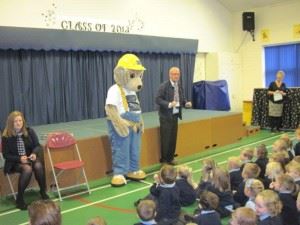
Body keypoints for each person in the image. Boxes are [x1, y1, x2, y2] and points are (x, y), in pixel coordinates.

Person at [1, 111, 49, 210]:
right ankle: (20, 198)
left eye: (20, 120)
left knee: (38, 166)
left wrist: (34, 154)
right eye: (15, 121)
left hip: (29, 158)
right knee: (27, 169)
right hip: (15, 162)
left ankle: (42, 191)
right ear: (11, 123)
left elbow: (37, 146)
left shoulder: (29, 131)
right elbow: (6, 155)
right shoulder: (6, 136)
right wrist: (19, 158)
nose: (18, 123)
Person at [155, 67, 192, 165]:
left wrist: (186, 103)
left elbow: (182, 99)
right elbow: (158, 99)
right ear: (170, 75)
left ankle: (171, 158)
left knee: (173, 138)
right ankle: (164, 160)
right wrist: (169, 104)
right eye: (174, 74)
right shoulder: (163, 86)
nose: (176, 76)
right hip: (165, 116)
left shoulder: (178, 86)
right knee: (165, 139)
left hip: (175, 115)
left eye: (178, 74)